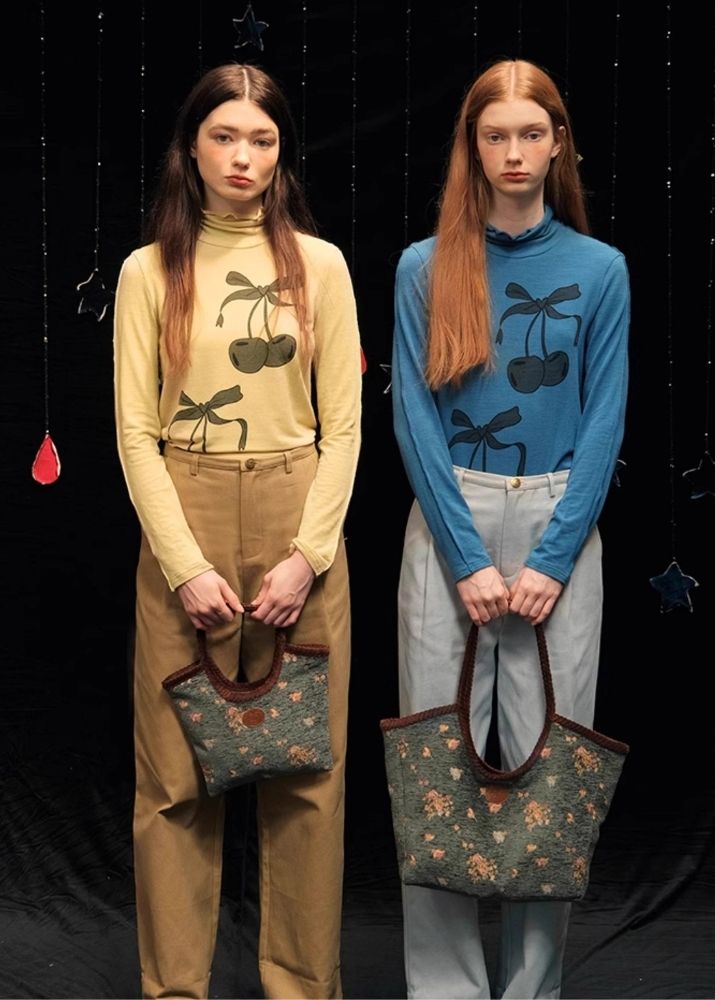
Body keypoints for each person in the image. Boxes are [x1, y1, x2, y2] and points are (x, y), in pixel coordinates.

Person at [113, 62, 361, 999]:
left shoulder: (321, 266)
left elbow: (344, 428)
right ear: (192, 148)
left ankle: (301, 988)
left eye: (262, 139)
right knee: (175, 783)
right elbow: (135, 431)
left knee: (306, 782)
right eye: (224, 136)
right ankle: (175, 990)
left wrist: (309, 557)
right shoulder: (149, 271)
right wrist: (182, 565)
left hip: (300, 517)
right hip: (187, 512)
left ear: (281, 153)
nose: (242, 156)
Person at [391, 58, 629, 999]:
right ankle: (444, 988)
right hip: (451, 513)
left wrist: (554, 557)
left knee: (553, 766)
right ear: (473, 145)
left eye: (533, 133)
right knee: (434, 761)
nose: (515, 152)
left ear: (559, 142)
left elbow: (605, 416)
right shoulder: (424, 265)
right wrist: (463, 557)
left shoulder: (600, 270)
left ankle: (533, 988)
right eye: (496, 135)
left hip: (559, 518)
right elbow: (413, 415)